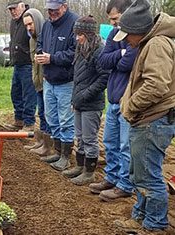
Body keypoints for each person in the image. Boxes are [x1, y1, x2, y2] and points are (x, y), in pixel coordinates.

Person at [112, 0, 175, 232]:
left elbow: (156, 85)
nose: (127, 39)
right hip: (148, 119)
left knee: (149, 176)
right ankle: (140, 216)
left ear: (140, 31)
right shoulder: (148, 42)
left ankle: (154, 224)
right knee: (139, 173)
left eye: (128, 34)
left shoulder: (156, 44)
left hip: (152, 120)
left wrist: (131, 107)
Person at [88, 0, 137, 202]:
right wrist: (121, 53)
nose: (113, 23)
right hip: (114, 97)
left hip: (128, 98)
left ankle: (125, 184)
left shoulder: (136, 36)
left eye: (115, 19)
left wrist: (118, 56)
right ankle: (112, 177)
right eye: (111, 19)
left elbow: (127, 64)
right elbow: (103, 60)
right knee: (109, 142)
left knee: (126, 145)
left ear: (127, 15)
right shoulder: (114, 34)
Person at [62, 16, 109, 185]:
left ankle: (89, 172)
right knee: (80, 137)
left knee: (89, 139)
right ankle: (80, 166)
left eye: (80, 34)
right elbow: (79, 77)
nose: (77, 38)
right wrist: (76, 99)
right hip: (80, 102)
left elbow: (104, 78)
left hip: (92, 103)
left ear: (88, 34)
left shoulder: (99, 51)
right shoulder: (81, 49)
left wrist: (85, 94)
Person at [36, 0, 78, 171]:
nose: (52, 13)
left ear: (64, 7)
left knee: (65, 120)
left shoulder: (74, 23)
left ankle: (66, 157)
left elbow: (74, 52)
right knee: (51, 118)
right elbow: (40, 43)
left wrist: (52, 58)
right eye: (49, 10)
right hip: (49, 79)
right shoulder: (47, 25)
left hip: (66, 81)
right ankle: (57, 151)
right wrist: (39, 54)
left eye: (55, 10)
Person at [22, 9, 53, 156]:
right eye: (26, 25)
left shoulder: (47, 37)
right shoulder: (31, 40)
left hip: (48, 81)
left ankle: (49, 146)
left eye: (30, 24)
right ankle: (41, 142)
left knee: (48, 114)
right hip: (38, 82)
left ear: (37, 21)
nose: (28, 28)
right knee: (41, 113)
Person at [5, 0, 37, 132]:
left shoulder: (30, 19)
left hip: (28, 64)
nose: (13, 12)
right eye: (10, 10)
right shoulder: (14, 22)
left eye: (14, 8)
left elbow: (35, 38)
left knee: (28, 95)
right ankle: (19, 120)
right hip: (17, 64)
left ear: (22, 6)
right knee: (15, 93)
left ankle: (29, 123)